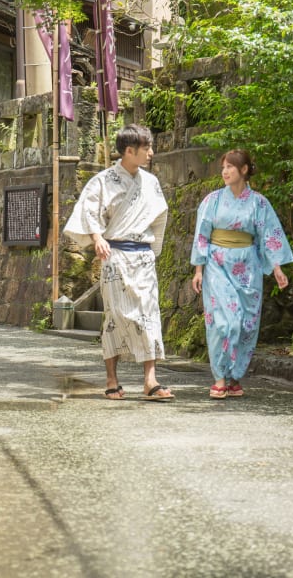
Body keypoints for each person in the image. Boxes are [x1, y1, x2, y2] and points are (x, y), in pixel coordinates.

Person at [63, 124, 174, 401]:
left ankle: (151, 380)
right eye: (146, 148)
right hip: (115, 255)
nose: (150, 153)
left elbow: (160, 215)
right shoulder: (102, 180)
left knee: (149, 315)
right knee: (115, 317)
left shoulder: (150, 182)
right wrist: (97, 237)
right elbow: (87, 210)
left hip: (143, 256)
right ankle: (112, 379)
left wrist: (153, 248)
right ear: (129, 151)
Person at [190, 149, 293, 399]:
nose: (225, 172)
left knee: (247, 323)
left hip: (248, 265)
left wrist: (277, 268)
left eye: (230, 167)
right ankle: (219, 378)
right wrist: (198, 269)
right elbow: (201, 234)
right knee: (223, 321)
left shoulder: (259, 203)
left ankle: (235, 377)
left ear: (244, 170)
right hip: (216, 263)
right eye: (223, 167)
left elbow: (269, 235)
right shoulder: (212, 201)